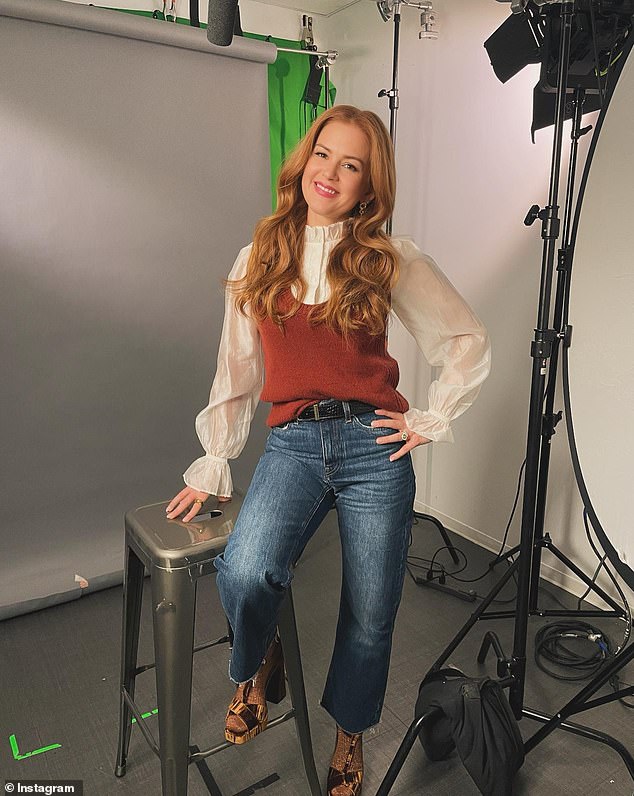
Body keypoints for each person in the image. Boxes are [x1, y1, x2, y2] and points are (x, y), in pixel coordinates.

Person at [166, 104, 490, 796]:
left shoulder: (386, 257)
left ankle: (349, 737)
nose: (331, 173)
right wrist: (216, 459)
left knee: (371, 615)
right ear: (303, 160)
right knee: (248, 570)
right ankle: (258, 663)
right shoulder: (259, 257)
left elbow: (463, 339)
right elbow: (237, 371)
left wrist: (429, 419)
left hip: (375, 447)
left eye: (352, 165)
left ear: (369, 186)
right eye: (323, 154)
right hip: (295, 442)